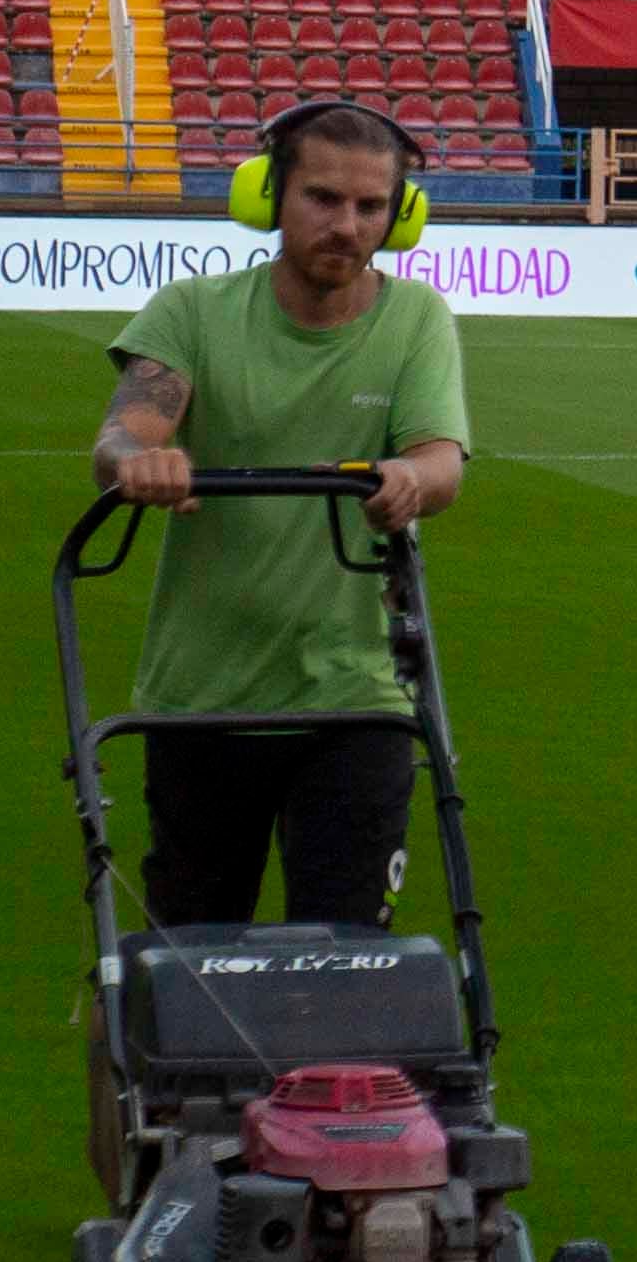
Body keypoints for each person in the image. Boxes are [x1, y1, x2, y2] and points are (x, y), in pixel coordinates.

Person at [89, 100, 472, 930]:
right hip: (203, 694)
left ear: (400, 217)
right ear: (269, 197)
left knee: (344, 957)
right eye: (323, 200)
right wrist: (141, 461)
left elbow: (442, 459)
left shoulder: (416, 319)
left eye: (371, 207)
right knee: (183, 963)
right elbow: (122, 435)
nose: (346, 225)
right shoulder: (193, 311)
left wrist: (412, 476)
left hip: (358, 692)